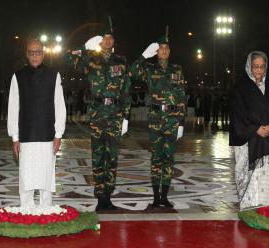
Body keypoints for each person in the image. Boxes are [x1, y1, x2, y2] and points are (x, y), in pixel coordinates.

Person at [65, 20, 131, 211]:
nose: (108, 40)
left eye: (111, 38)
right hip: (97, 113)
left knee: (112, 157)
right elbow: (67, 58)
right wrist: (84, 48)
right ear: (100, 41)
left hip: (116, 114)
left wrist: (126, 117)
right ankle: (99, 195)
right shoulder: (90, 59)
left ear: (114, 41)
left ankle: (108, 195)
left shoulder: (121, 61)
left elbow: (126, 90)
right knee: (97, 155)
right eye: (105, 38)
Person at [7, 39, 66, 208]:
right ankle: (26, 209)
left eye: (38, 52)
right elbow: (13, 107)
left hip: (48, 133)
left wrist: (58, 134)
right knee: (26, 175)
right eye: (31, 52)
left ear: (44, 53)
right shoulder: (17, 76)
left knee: (46, 174)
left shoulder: (54, 75)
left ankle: (45, 208)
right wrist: (15, 137)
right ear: (26, 54)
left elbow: (59, 105)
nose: (35, 55)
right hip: (25, 134)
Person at [131, 32, 186, 208]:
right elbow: (132, 72)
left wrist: (182, 122)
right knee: (156, 158)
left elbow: (182, 97)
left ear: (170, 51)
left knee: (169, 158)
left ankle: (165, 196)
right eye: (161, 48)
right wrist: (143, 56)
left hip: (172, 120)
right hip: (156, 119)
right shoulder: (149, 69)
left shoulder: (177, 69)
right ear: (157, 52)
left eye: (166, 48)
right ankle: (156, 196)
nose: (164, 51)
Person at [229, 51, 269, 210]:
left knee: (266, 173)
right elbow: (237, 115)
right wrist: (255, 129)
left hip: (268, 138)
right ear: (249, 67)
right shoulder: (240, 88)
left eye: (261, 67)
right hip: (248, 139)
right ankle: (248, 207)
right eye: (255, 67)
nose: (258, 71)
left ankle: (266, 206)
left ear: (266, 67)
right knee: (247, 174)